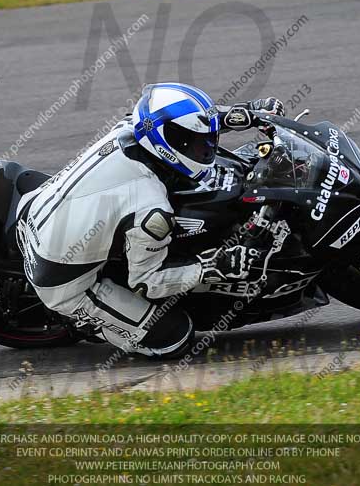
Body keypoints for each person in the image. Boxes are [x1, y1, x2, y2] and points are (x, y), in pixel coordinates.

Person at [16, 83, 284, 358]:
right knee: (174, 338)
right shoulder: (150, 207)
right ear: (168, 146)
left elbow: (185, 121)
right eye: (194, 144)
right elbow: (147, 281)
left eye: (205, 140)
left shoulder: (132, 127)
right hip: (60, 278)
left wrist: (245, 114)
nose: (205, 148)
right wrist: (214, 266)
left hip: (36, 211)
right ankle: (83, 319)